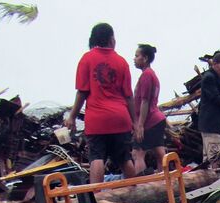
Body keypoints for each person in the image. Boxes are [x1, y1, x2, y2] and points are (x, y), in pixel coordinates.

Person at [64, 23, 136, 183]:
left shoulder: (87, 59)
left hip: (97, 120)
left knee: (97, 158)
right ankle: (136, 193)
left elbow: (82, 92)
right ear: (111, 40)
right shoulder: (122, 62)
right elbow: (129, 96)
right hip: (120, 118)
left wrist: (72, 117)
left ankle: (97, 198)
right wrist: (136, 122)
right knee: (125, 159)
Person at [132, 44, 166, 175]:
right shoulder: (152, 75)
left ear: (145, 58)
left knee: (137, 153)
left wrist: (140, 125)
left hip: (149, 120)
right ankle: (164, 178)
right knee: (159, 151)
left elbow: (145, 101)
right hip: (157, 118)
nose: (134, 59)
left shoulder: (146, 75)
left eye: (136, 56)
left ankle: (141, 185)